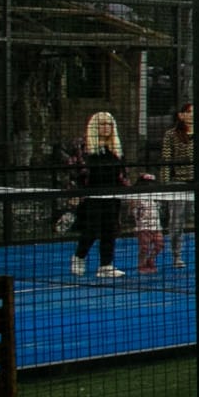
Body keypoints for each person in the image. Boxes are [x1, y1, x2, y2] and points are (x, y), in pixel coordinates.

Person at [72, 110, 129, 277]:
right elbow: (79, 173)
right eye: (102, 124)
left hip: (112, 196)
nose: (106, 128)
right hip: (93, 197)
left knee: (110, 231)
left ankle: (106, 265)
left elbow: (122, 174)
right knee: (91, 229)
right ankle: (79, 257)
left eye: (109, 124)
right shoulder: (86, 148)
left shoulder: (115, 149)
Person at [150, 102, 197, 275]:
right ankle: (176, 255)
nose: (192, 116)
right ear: (181, 115)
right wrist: (166, 183)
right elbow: (166, 160)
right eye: (189, 112)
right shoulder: (171, 135)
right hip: (179, 183)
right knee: (176, 223)